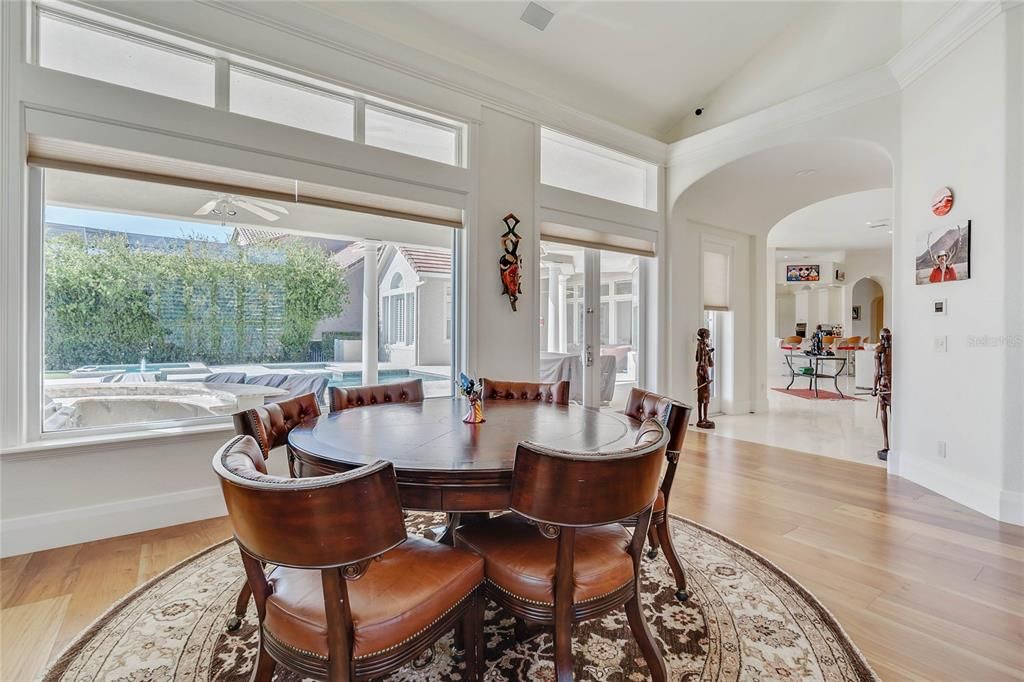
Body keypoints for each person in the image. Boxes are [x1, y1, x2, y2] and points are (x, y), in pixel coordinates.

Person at [872, 328, 892, 461]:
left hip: (885, 383)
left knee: (883, 410)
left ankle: (886, 444)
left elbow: (876, 371)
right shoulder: (894, 349)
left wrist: (874, 388)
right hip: (893, 382)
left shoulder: (879, 350)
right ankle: (891, 443)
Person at [695, 328, 715, 429]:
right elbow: (701, 361)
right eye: (708, 333)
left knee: (702, 396)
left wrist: (708, 353)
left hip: (701, 371)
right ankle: (704, 418)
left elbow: (697, 358)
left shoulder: (701, 344)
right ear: (703, 334)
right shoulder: (702, 345)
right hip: (702, 371)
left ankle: (701, 418)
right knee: (704, 396)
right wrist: (706, 376)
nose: (709, 334)